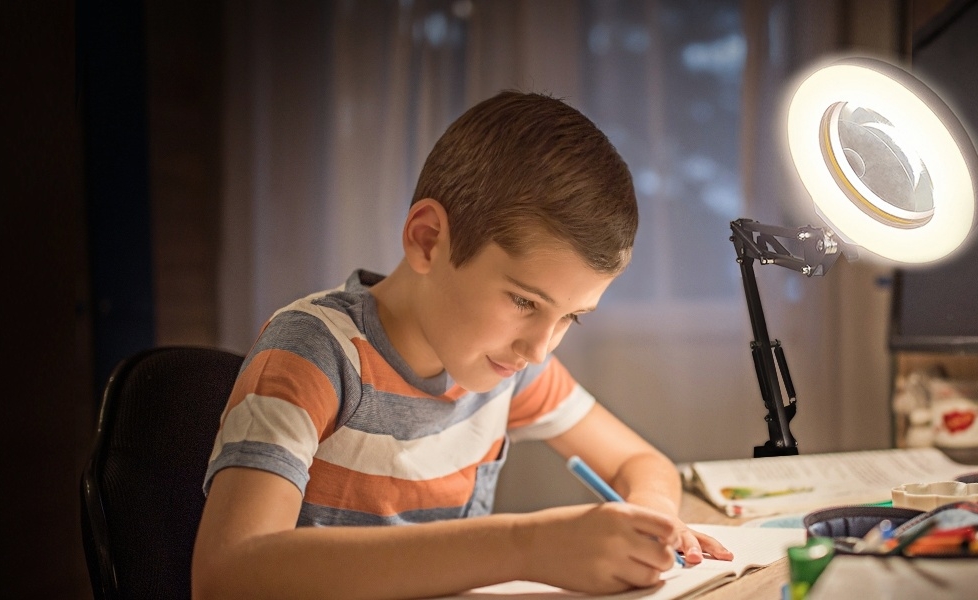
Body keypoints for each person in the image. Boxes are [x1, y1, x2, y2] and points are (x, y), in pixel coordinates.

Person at [192, 91, 732, 599]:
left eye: (571, 317)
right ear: (427, 240)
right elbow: (228, 573)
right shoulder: (316, 354)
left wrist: (652, 518)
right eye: (524, 302)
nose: (539, 349)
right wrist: (524, 547)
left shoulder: (508, 371)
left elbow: (641, 461)